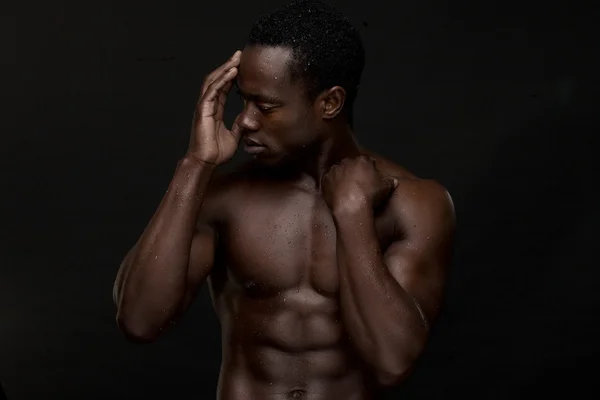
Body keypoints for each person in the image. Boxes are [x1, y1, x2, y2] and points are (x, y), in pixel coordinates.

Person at [113, 0, 455, 398]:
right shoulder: (224, 198)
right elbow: (139, 322)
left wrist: (352, 215)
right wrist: (196, 164)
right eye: (244, 100)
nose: (245, 120)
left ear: (329, 103)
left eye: (266, 106)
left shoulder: (415, 203)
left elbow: (392, 361)